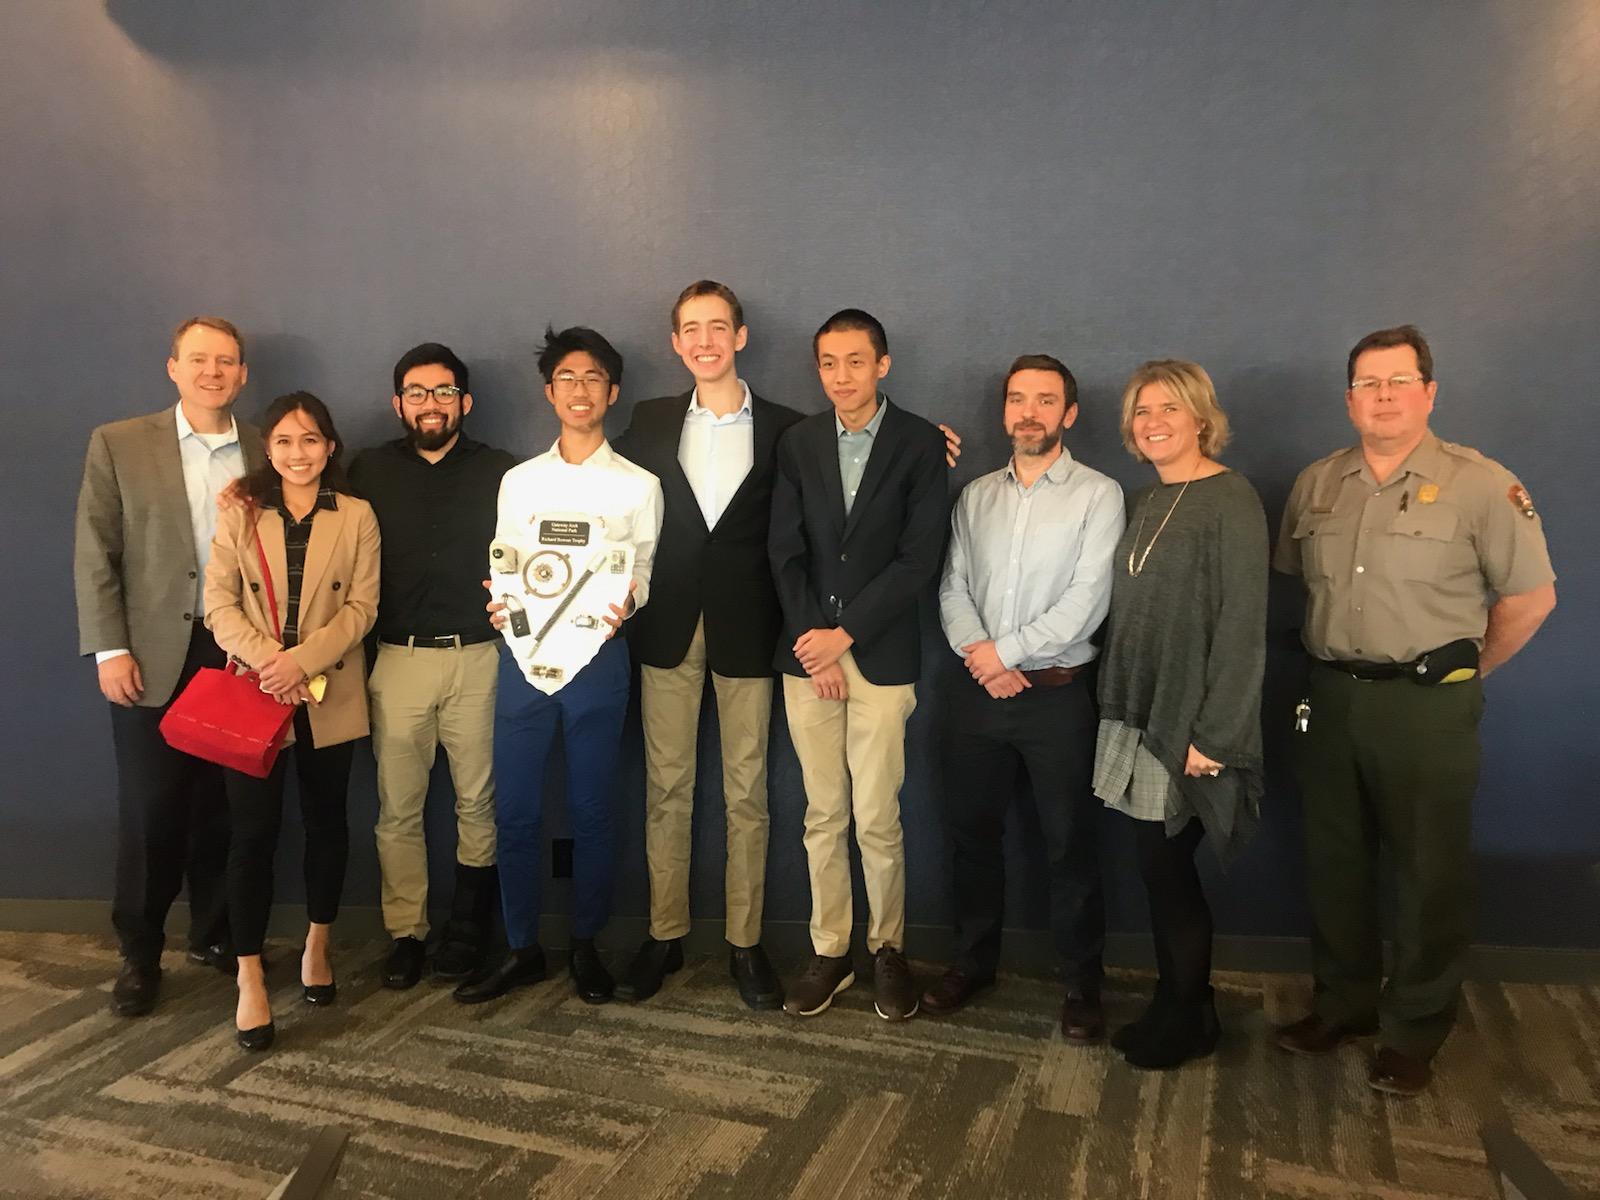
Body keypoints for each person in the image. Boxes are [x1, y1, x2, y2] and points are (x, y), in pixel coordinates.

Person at [1273, 325, 1556, 1096]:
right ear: (1349, 398)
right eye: (1369, 383)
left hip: (1427, 708)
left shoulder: (1480, 483)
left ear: (1429, 392)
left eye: (1400, 380)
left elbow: (1533, 598)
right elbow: (1295, 583)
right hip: (1330, 697)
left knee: (1429, 875)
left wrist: (1468, 671)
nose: (1384, 395)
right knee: (1335, 866)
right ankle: (1343, 1006)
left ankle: (1414, 1031)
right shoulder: (1317, 483)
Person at [456, 326, 663, 1007]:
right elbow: (505, 565)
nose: (581, 389)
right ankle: (522, 946)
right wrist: (501, 603)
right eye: (568, 378)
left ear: (614, 392)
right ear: (549, 393)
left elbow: (643, 577)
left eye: (594, 377)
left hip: (599, 663)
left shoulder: (640, 486)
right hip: (523, 663)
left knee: (592, 809)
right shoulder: (520, 482)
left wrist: (623, 602)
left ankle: (585, 943)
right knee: (514, 808)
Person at [609, 282, 802, 1008]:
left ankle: (745, 945)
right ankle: (664, 937)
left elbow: (851, 470)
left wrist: (919, 446)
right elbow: (597, 491)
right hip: (665, 628)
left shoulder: (789, 427)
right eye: (691, 329)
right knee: (667, 789)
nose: (705, 340)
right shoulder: (648, 421)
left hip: (752, 630)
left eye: (717, 327)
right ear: (676, 344)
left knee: (748, 794)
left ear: (741, 337)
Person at [927, 354, 1124, 1042]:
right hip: (977, 696)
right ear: (1004, 410)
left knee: (1069, 844)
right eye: (1018, 400)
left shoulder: (1100, 496)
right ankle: (973, 964)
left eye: (1045, 401)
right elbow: (952, 586)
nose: (1029, 413)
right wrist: (983, 661)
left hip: (1057, 698)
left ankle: (1081, 984)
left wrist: (1005, 655)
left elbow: (1088, 601)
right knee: (970, 839)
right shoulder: (975, 495)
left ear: (1068, 414)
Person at [74, 316, 264, 1017]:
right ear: (173, 367)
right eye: (199, 359)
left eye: (227, 361)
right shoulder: (120, 443)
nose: (213, 371)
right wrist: (109, 648)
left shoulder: (268, 450)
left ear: (242, 375)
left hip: (238, 654)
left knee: (224, 807)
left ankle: (214, 935)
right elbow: (96, 552)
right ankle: (140, 953)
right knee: (153, 811)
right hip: (151, 655)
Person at [768, 308, 948, 1021]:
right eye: (828, 363)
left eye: (855, 361)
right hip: (807, 656)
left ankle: (887, 951)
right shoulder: (799, 442)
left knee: (877, 815)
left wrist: (844, 635)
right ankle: (830, 952)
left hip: (879, 656)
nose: (841, 376)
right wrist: (817, 638)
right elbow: (784, 551)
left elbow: (918, 559)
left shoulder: (919, 443)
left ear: (883, 364)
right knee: (822, 814)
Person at [1093, 360, 1268, 1070]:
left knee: (1169, 869)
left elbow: (1241, 626)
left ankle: (1193, 1016)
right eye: (1142, 410)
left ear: (1201, 417)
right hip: (1137, 711)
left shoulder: (1232, 501)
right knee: (1153, 868)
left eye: (1169, 407)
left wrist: (1214, 736)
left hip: (1191, 724)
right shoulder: (1143, 500)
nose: (1154, 421)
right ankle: (1179, 1004)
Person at [204, 391, 380, 1051]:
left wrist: (300, 663)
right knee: (251, 833)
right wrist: (269, 664)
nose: (297, 453)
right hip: (255, 689)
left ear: (329, 446)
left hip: (327, 690)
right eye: (283, 441)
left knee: (327, 823)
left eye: (310, 440)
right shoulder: (242, 513)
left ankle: (318, 943)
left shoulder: (358, 515)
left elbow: (362, 608)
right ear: (267, 449)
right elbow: (219, 602)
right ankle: (249, 974)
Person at [349, 344, 515, 990]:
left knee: (479, 803)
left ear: (465, 403)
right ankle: (406, 934)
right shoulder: (365, 471)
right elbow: (301, 499)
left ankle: (468, 930)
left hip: (479, 657)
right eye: (416, 393)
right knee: (397, 808)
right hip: (396, 660)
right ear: (398, 405)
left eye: (444, 392)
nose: (430, 404)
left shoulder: (504, 472)